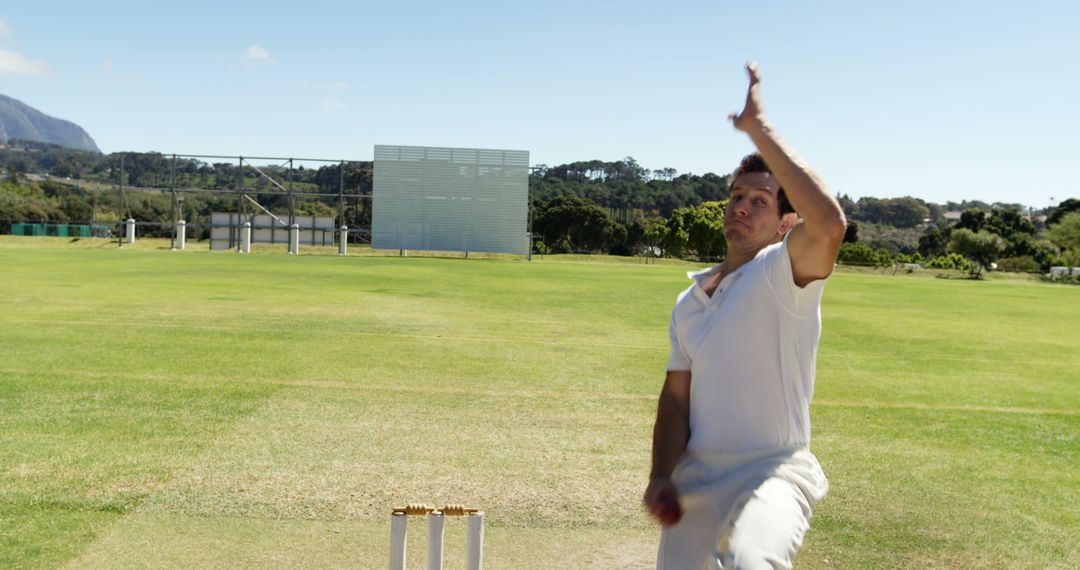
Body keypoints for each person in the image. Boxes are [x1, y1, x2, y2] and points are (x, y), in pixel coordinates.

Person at [643, 62, 847, 569]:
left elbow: (829, 224)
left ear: (785, 224)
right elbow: (675, 401)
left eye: (760, 200)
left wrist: (760, 128)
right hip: (696, 482)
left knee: (751, 561)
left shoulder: (783, 273)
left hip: (774, 472)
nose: (742, 207)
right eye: (736, 197)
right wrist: (661, 475)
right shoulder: (689, 301)